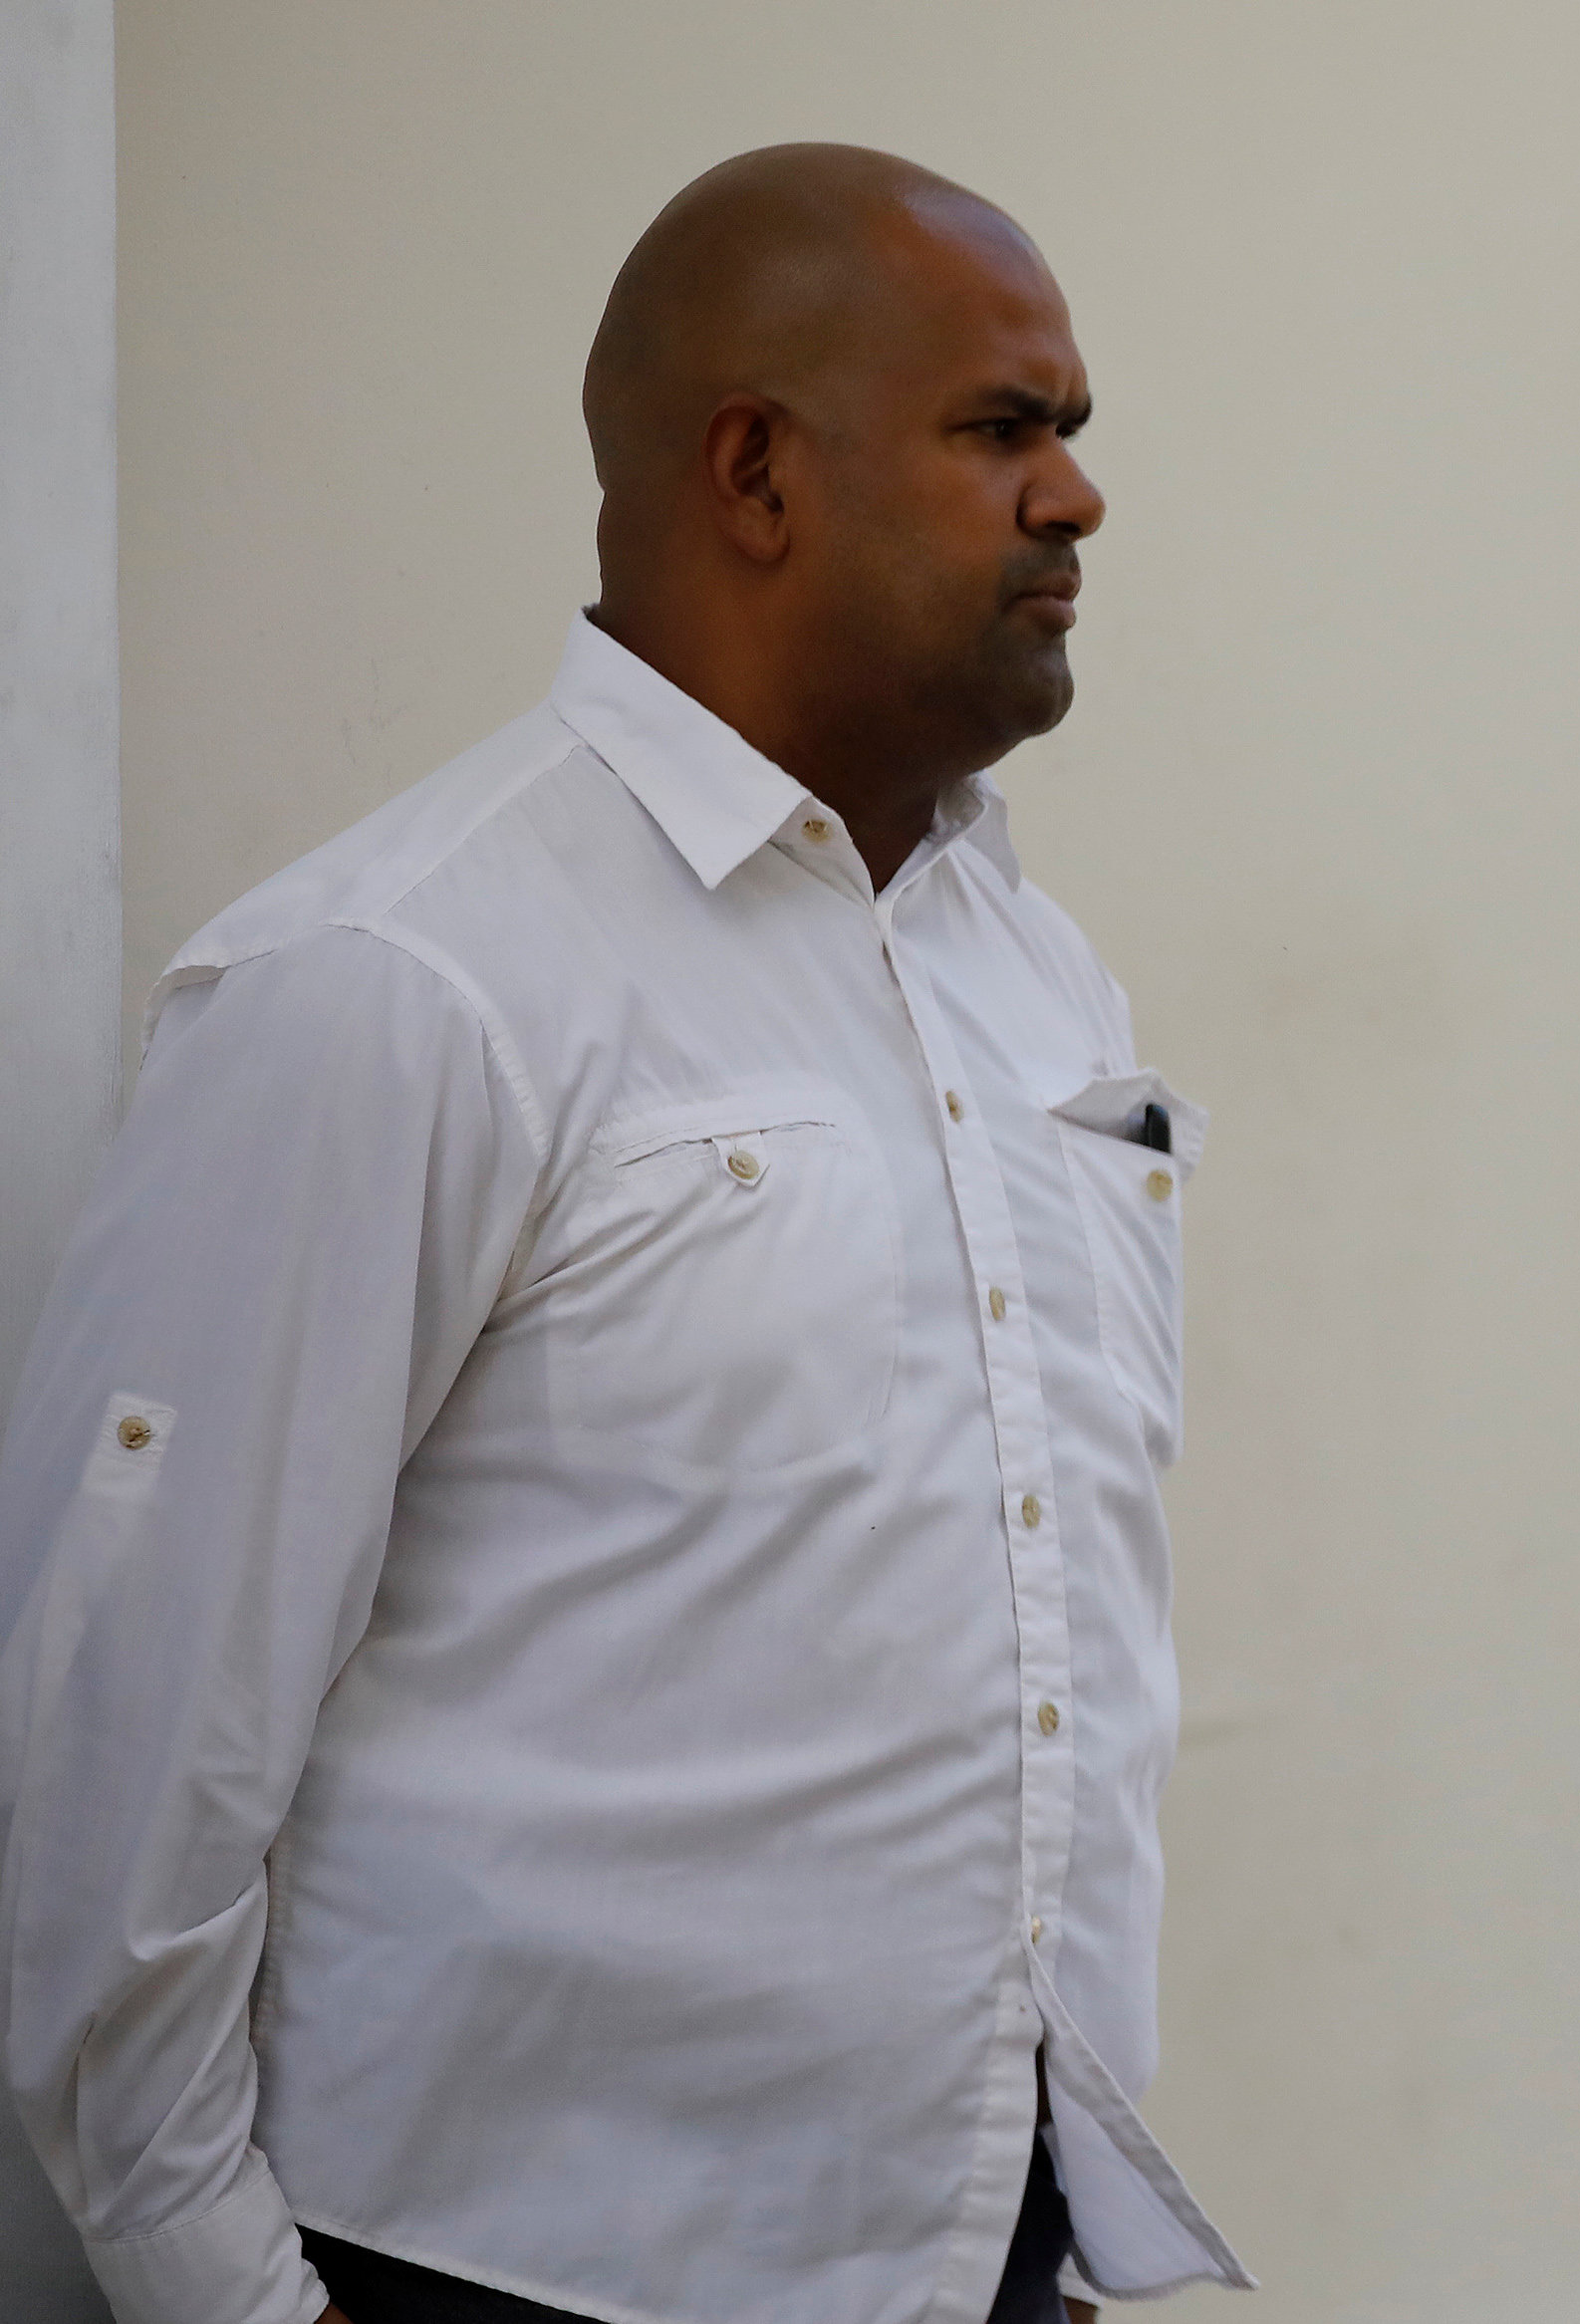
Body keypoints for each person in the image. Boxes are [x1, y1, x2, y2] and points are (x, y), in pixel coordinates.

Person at [0, 145, 1249, 2324]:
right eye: (1001, 430)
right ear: (753, 470)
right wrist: (220, 2293)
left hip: (985, 2252)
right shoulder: (403, 980)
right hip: (503, 2270)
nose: (1075, 499)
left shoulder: (1034, 975)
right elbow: (119, 1728)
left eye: (1070, 435)